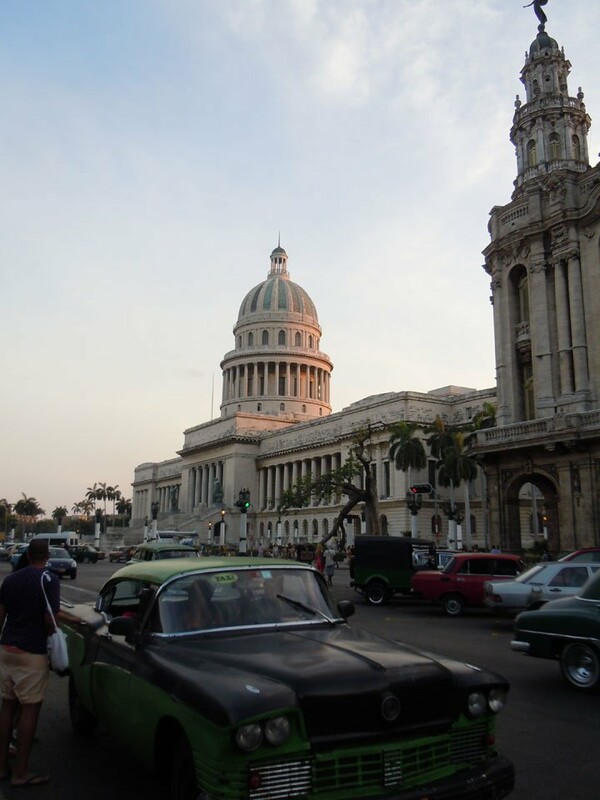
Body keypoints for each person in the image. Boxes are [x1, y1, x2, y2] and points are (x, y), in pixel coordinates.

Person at [0, 539, 83, 787]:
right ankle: (21, 772)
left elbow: (1, 614)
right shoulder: (48, 580)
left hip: (7, 647)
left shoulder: (10, 580)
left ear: (27, 554)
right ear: (46, 556)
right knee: (30, 709)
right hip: (31, 651)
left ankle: (2, 766)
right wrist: (60, 636)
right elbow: (50, 617)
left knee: (7, 707)